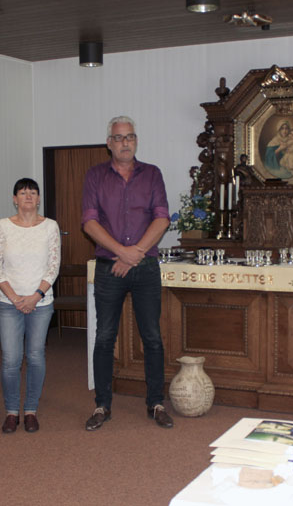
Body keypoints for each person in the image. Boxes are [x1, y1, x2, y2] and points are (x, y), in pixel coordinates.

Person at [81, 115, 173, 430]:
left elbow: (162, 218)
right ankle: (102, 405)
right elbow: (89, 222)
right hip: (109, 268)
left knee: (152, 337)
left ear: (136, 141)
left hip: (145, 267)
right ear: (109, 143)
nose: (125, 143)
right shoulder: (95, 176)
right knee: (105, 337)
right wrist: (122, 252)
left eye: (130, 137)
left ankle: (156, 403)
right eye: (119, 137)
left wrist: (134, 254)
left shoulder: (152, 174)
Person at [0, 178, 61, 434]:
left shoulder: (50, 226)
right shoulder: (3, 226)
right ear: (14, 199)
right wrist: (14, 297)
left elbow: (53, 266)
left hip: (40, 302)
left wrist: (35, 296)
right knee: (11, 359)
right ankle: (11, 412)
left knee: (35, 356)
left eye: (32, 192)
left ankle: (30, 410)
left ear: (38, 198)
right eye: (22, 192)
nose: (28, 196)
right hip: (9, 302)